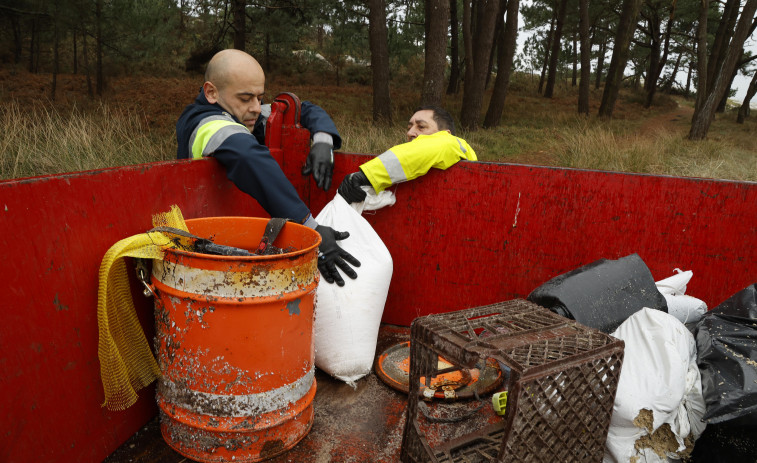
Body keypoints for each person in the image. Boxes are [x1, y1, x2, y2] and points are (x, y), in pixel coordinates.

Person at [175, 49, 359, 286]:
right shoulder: (205, 123)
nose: (255, 107)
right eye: (245, 98)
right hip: (207, 258)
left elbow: (303, 109)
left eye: (260, 97)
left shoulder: (240, 112)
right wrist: (311, 228)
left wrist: (323, 141)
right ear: (211, 92)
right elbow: (247, 156)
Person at [337, 105, 477, 203]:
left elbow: (423, 150)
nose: (410, 133)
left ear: (445, 134)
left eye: (421, 126)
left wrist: (367, 175)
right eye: (409, 128)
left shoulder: (453, 143)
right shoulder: (412, 164)